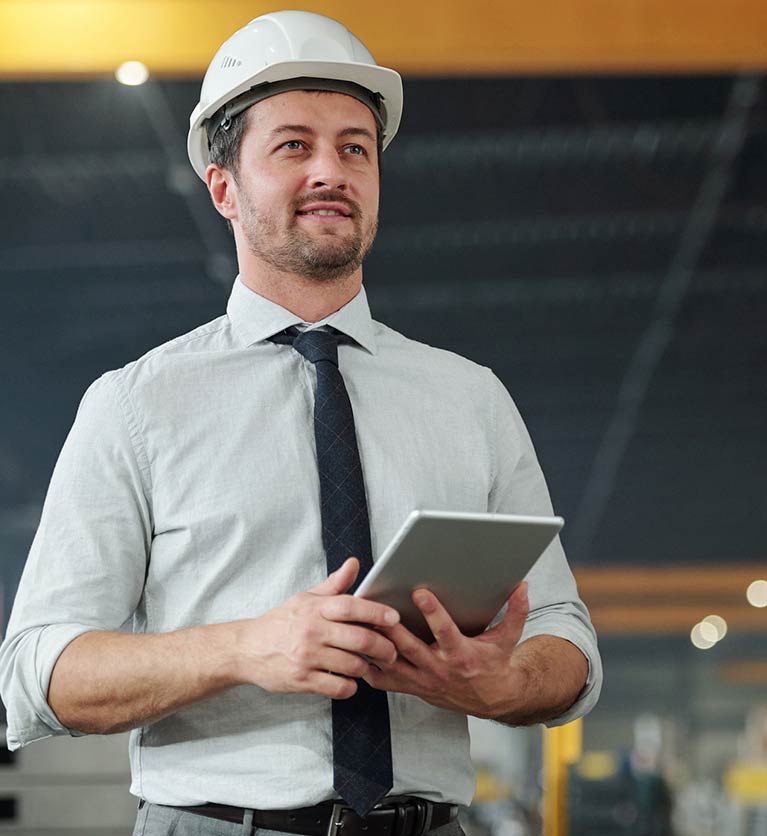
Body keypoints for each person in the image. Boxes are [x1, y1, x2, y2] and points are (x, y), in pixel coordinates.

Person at [0, 11, 601, 836]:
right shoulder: (136, 406)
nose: (332, 170)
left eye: (356, 147)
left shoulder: (470, 399)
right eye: (293, 145)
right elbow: (38, 672)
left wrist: (500, 685)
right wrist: (244, 648)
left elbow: (566, 639)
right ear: (223, 188)